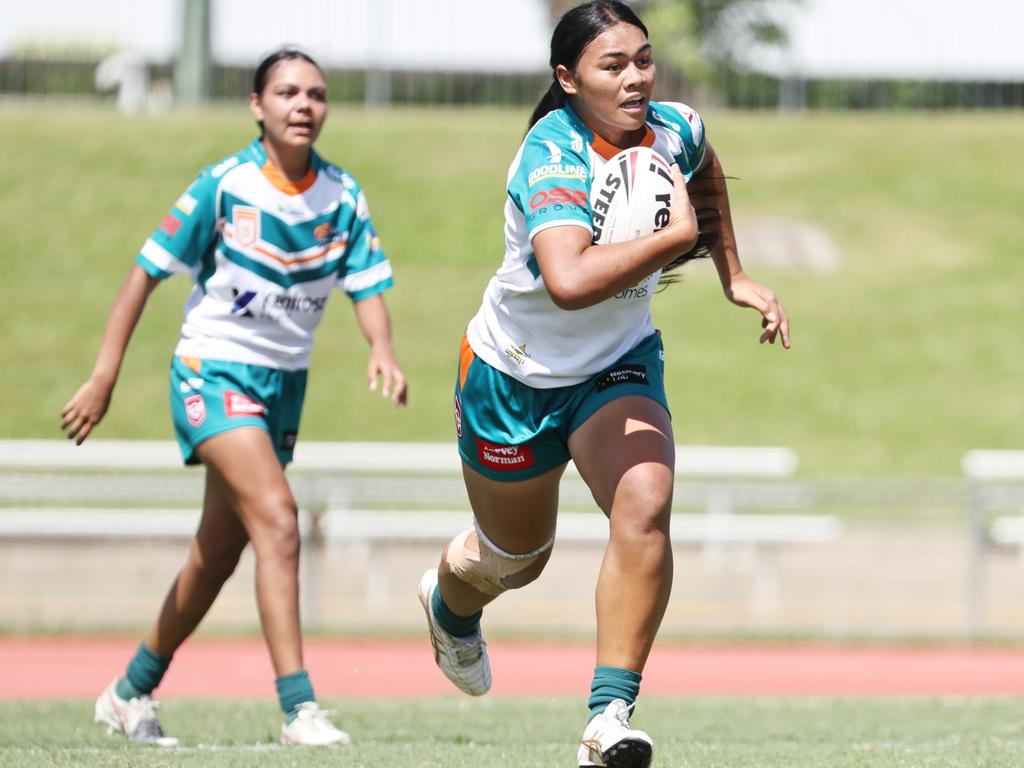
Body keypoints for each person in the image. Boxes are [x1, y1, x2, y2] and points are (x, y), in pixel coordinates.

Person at [416, 2, 789, 767]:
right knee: (514, 561)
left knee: (646, 500)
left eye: (643, 60)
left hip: (616, 366)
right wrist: (676, 240)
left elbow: (704, 166)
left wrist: (734, 274)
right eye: (612, 66)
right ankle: (450, 607)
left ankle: (607, 719)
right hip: (512, 376)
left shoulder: (674, 127)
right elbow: (568, 281)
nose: (635, 78)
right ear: (567, 78)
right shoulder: (551, 154)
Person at [61, 47, 407, 748]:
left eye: (315, 92)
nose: (303, 104)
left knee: (216, 554)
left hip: (284, 389)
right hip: (212, 374)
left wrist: (382, 349)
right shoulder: (223, 186)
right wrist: (104, 374)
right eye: (286, 92)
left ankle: (129, 692)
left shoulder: (343, 195)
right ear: (258, 105)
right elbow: (144, 274)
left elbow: (367, 284)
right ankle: (299, 709)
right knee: (278, 520)